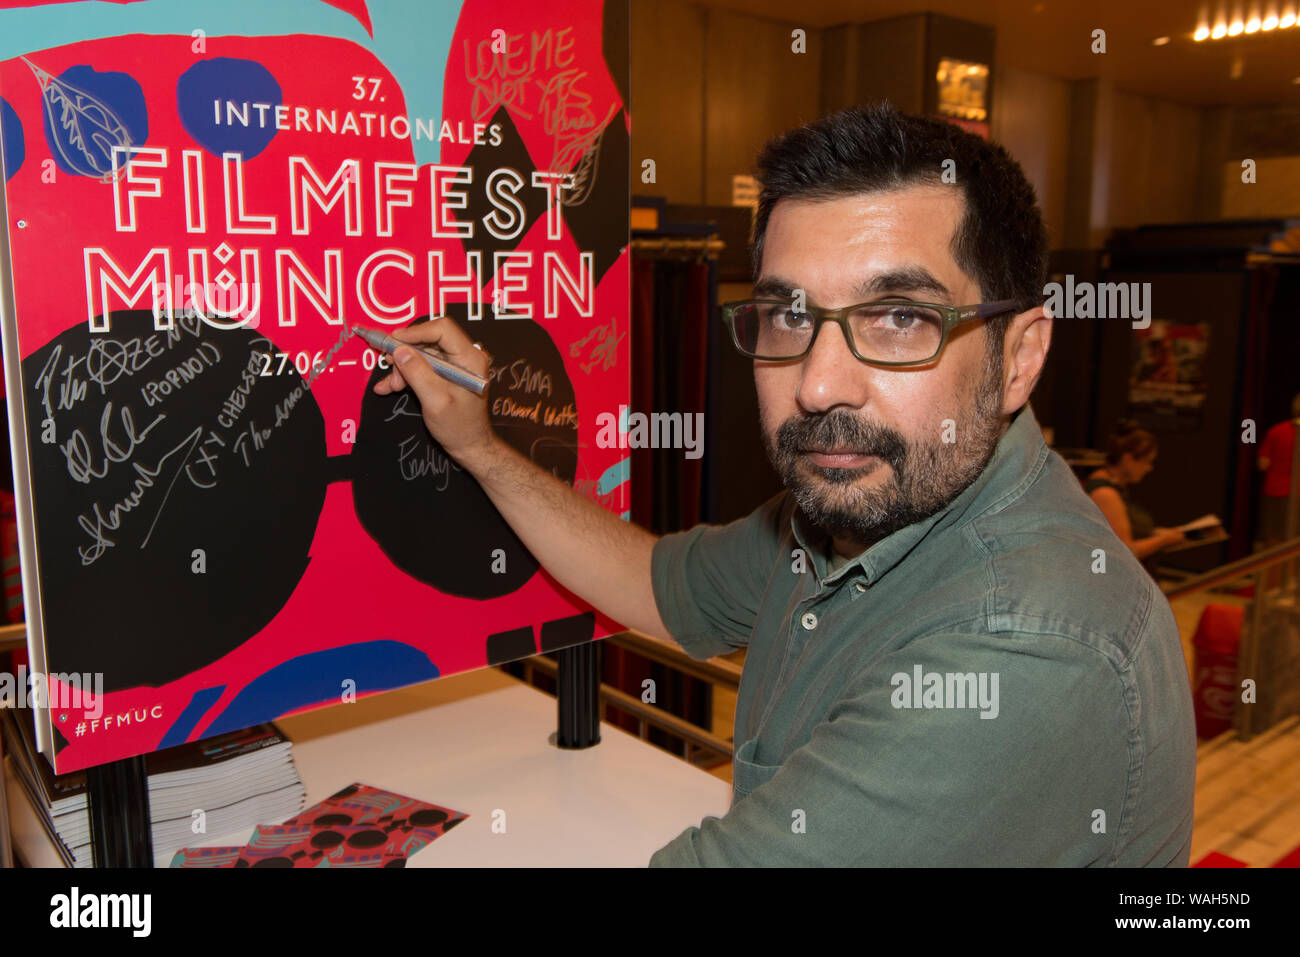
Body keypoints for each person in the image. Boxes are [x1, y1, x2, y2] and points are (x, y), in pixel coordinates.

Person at [373, 104, 1196, 866]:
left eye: (900, 317)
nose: (818, 384)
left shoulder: (1026, 648)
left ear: (1019, 356)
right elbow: (655, 583)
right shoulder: (852, 514)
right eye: (789, 316)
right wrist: (481, 447)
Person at [1085, 420, 1185, 570]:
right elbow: (1125, 551)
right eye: (1147, 462)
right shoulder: (1106, 493)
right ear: (1128, 459)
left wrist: (1154, 533)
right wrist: (1164, 540)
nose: (1149, 468)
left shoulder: (1112, 485)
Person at [1258, 393, 1300, 547]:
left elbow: (1263, 464)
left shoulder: (1276, 431)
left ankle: (1273, 572)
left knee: (1274, 539)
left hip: (1276, 491)